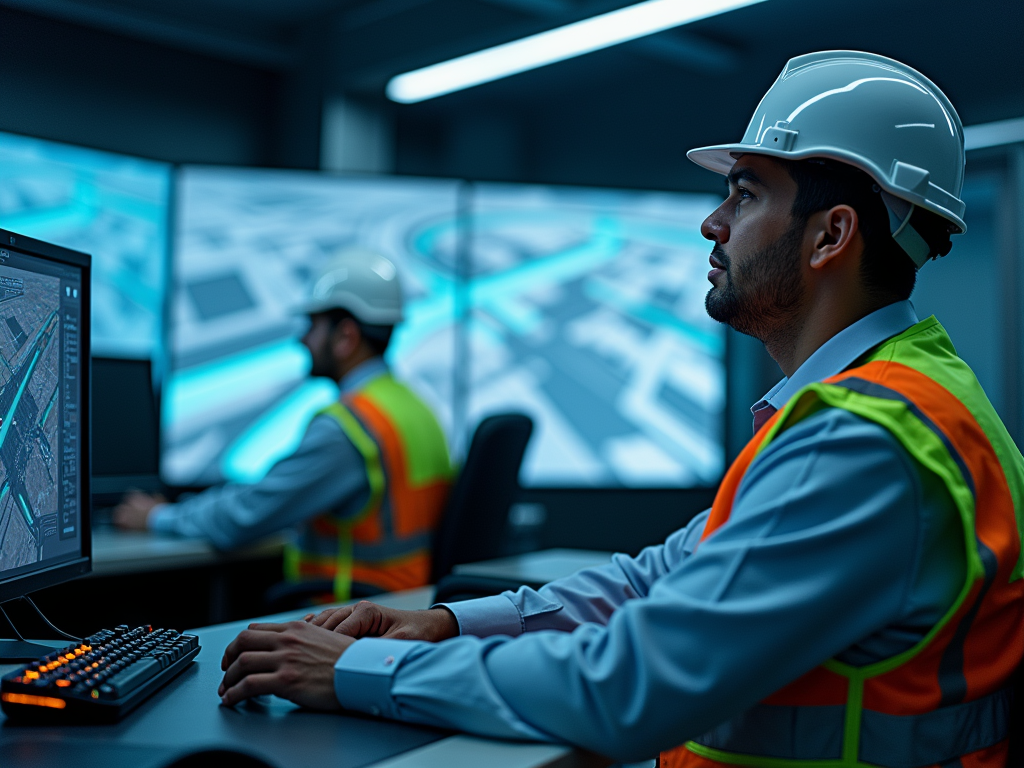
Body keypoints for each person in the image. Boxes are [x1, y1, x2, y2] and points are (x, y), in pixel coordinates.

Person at [216, 52, 1024, 765]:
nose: (713, 222)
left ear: (830, 236)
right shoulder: (884, 404)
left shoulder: (865, 441)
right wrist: (452, 625)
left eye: (744, 195)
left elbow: (628, 687)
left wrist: (358, 671)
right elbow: (660, 576)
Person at [115, 249, 453, 600]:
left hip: (351, 621)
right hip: (406, 608)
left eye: (313, 326)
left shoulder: (349, 428)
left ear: (346, 336)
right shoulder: (415, 408)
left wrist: (159, 517)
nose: (302, 340)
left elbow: (246, 516)